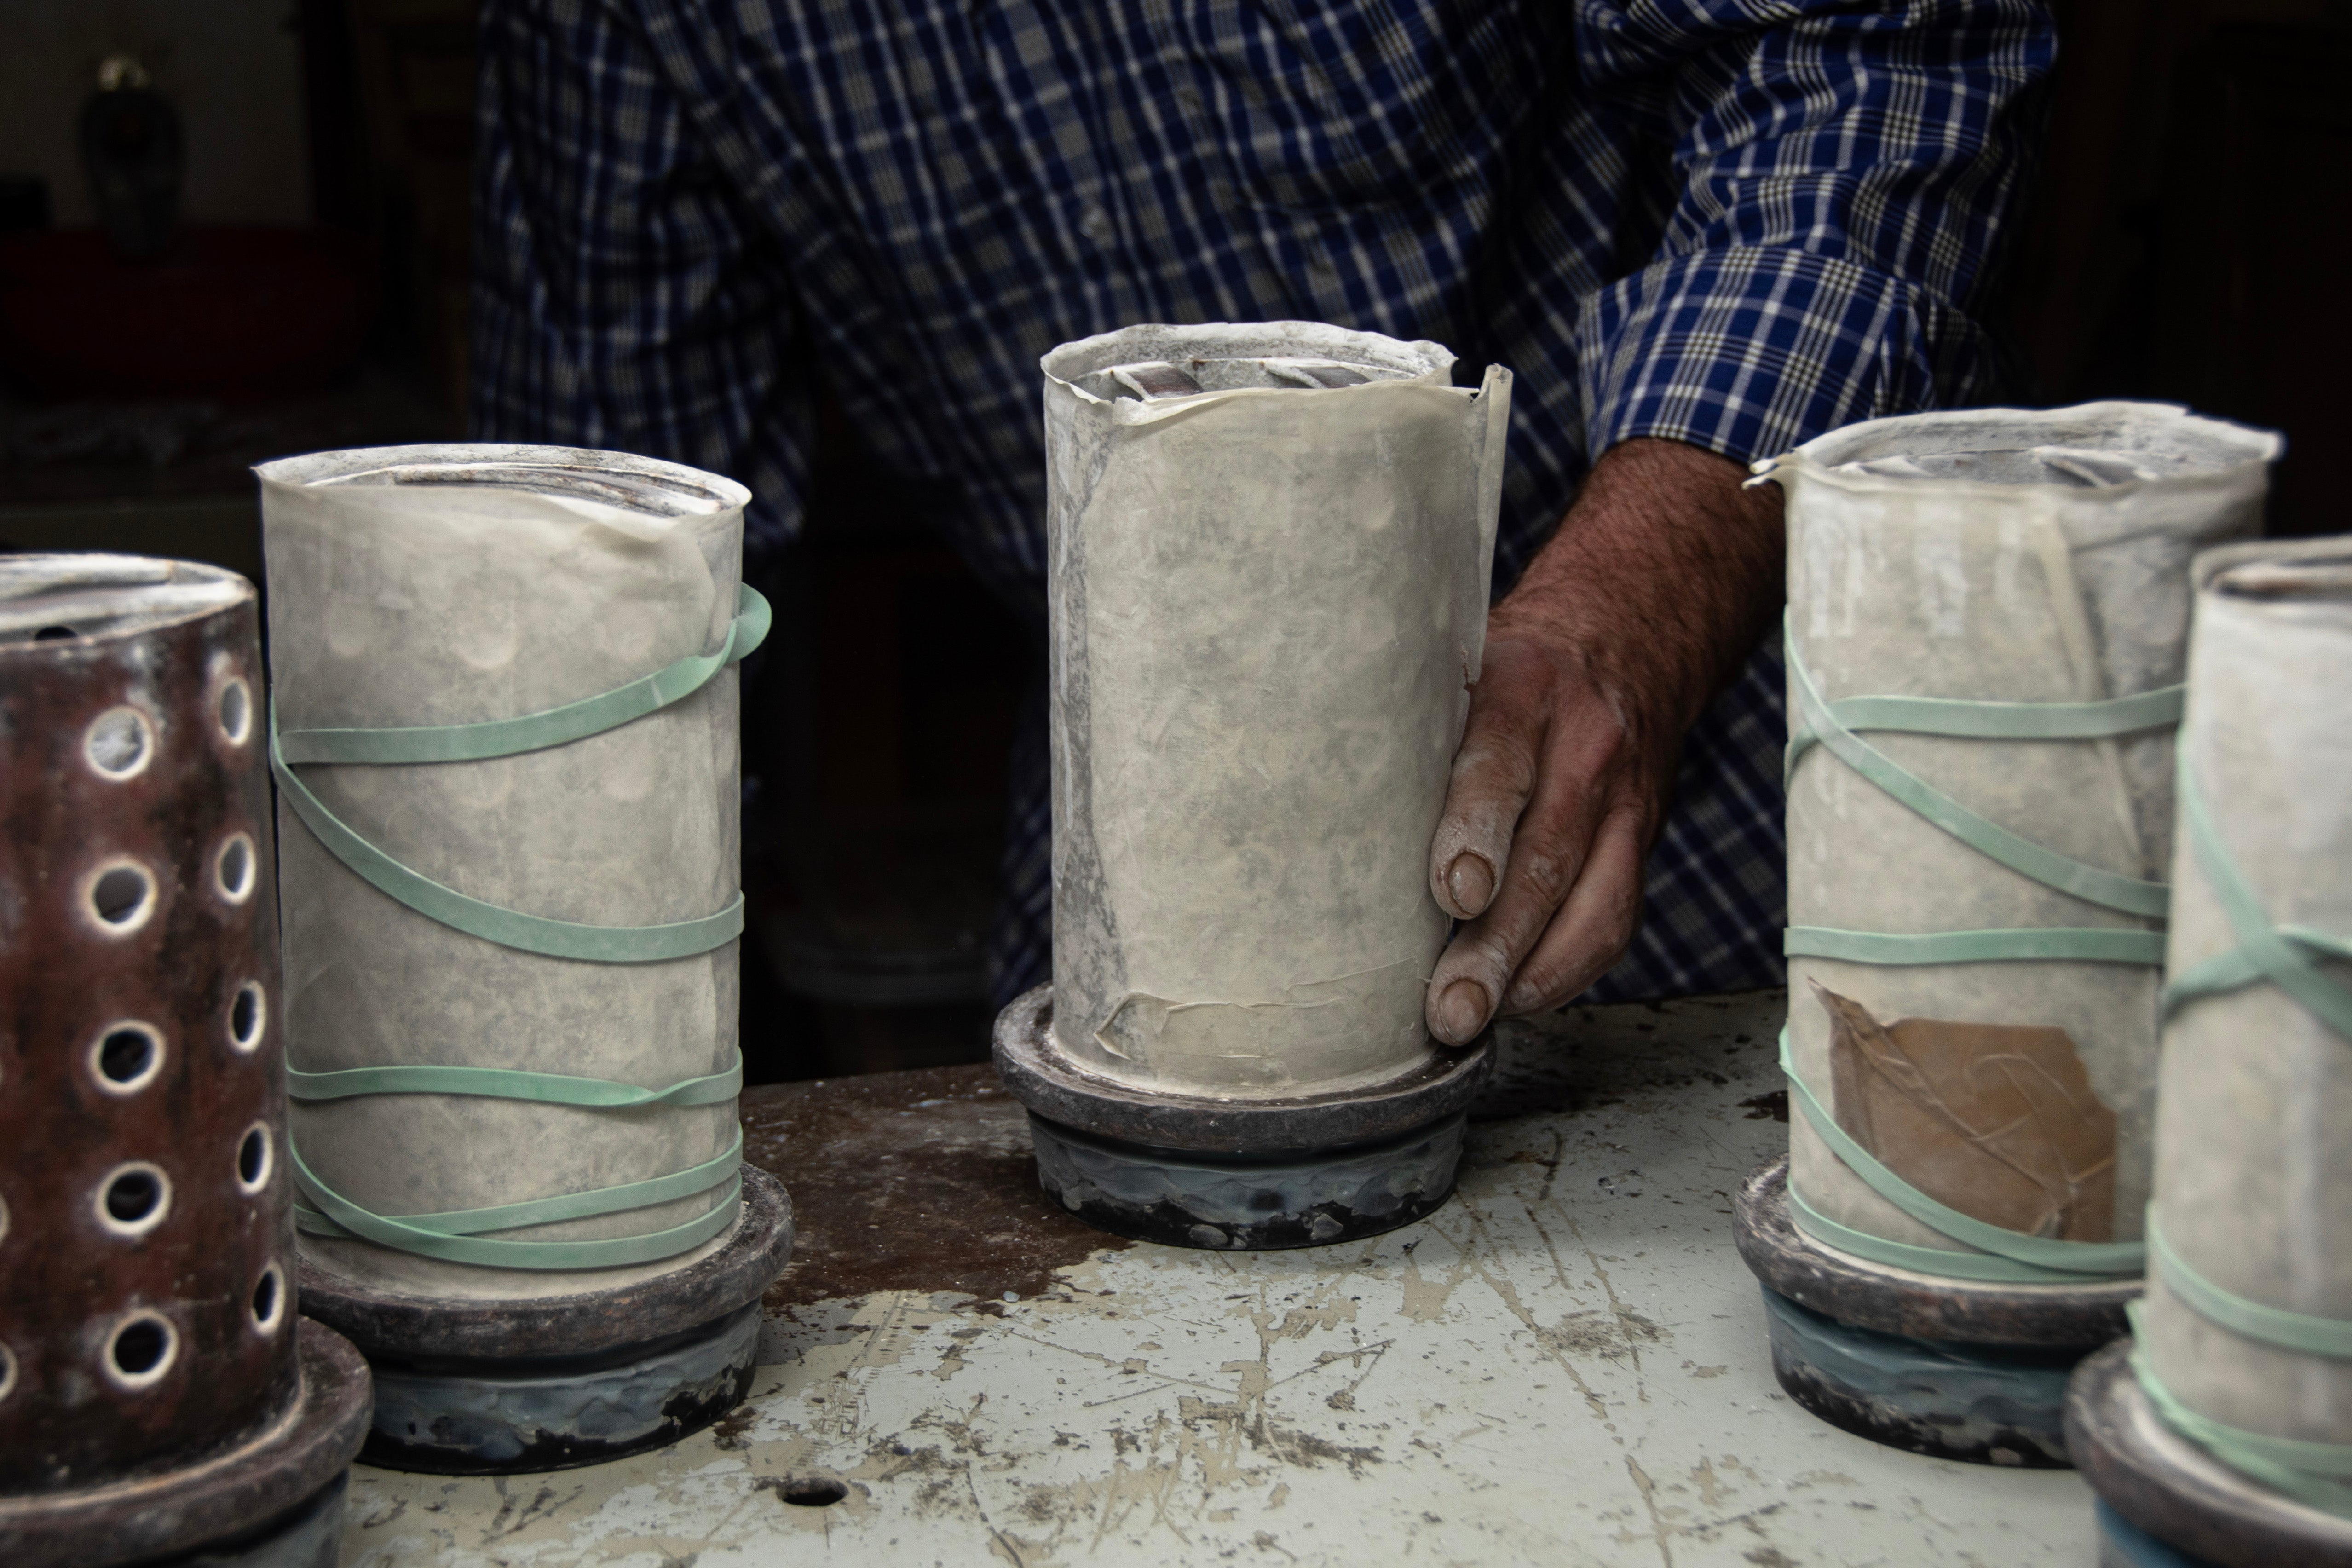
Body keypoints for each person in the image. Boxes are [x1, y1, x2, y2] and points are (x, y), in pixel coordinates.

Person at [472, 0, 2056, 1041]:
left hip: (1686, 716)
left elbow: (1865, 64)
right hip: (1129, 833)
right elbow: (600, 581)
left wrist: (1630, 614)